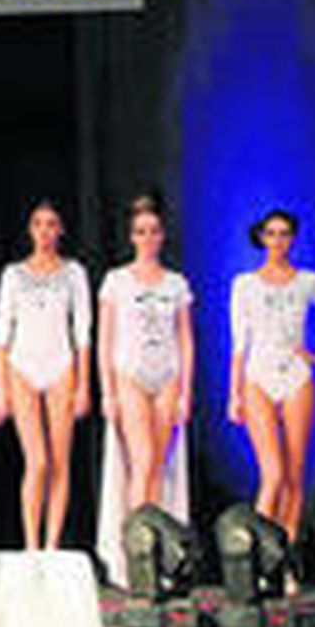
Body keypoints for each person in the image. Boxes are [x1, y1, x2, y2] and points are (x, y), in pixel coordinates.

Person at [228, 208, 315, 554]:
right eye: (271, 233)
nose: (278, 240)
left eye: (284, 233)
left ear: (293, 238)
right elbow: (240, 342)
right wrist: (233, 394)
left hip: (296, 377)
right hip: (257, 375)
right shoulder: (245, 284)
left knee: (295, 474)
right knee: (273, 474)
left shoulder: (308, 281)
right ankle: (252, 554)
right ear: (261, 237)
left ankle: (283, 559)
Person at [94, 194, 195, 587]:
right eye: (140, 231)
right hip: (130, 375)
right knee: (141, 462)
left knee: (158, 467)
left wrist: (186, 390)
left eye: (153, 231)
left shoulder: (176, 284)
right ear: (131, 236)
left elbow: (185, 339)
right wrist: (107, 391)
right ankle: (139, 556)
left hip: (167, 374)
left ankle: (155, 548)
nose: (147, 237)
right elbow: (105, 339)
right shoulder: (117, 281)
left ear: (162, 235)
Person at [0, 200, 93, 551]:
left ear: (61, 230)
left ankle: (51, 545)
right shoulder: (13, 274)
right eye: (39, 224)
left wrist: (83, 384)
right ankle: (31, 544)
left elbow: (82, 331)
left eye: (52, 224)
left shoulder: (73, 273)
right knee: (36, 461)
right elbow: (2, 335)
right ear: (30, 230)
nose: (45, 231)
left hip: (61, 366)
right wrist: (2, 390)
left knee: (59, 461)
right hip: (22, 366)